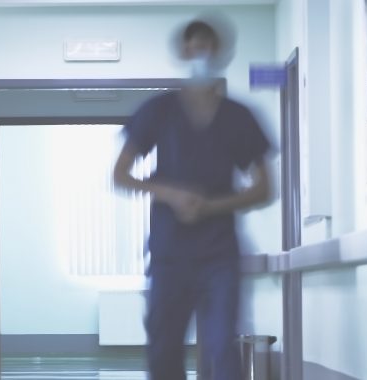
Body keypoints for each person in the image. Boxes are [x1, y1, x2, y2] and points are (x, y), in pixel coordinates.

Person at [111, 13, 274, 380]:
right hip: (170, 255)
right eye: (194, 47)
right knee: (164, 353)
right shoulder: (159, 111)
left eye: (207, 47)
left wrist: (210, 206)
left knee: (222, 348)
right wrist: (168, 192)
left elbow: (265, 187)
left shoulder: (239, 117)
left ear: (220, 54)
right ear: (183, 53)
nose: (200, 53)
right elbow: (119, 175)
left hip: (219, 257)